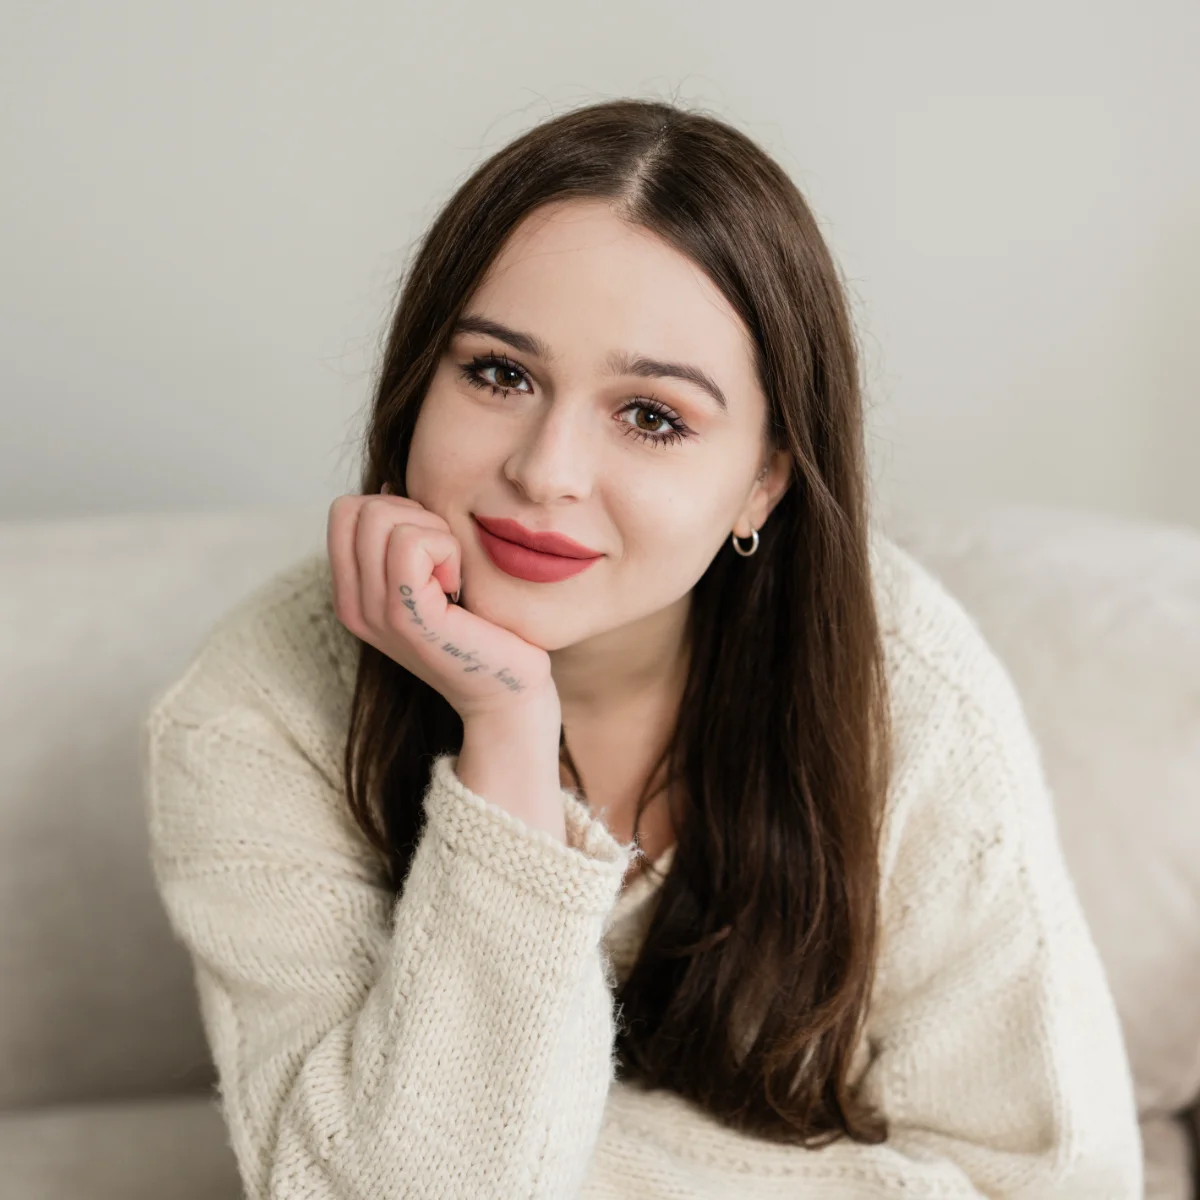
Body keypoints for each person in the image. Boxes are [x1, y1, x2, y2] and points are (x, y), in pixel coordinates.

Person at [141, 97, 1143, 1198]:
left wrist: (570, 1169)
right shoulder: (254, 711)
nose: (546, 471)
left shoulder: (901, 685)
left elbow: (1055, 1181)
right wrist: (507, 733)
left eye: (653, 417)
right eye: (499, 373)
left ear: (762, 482)